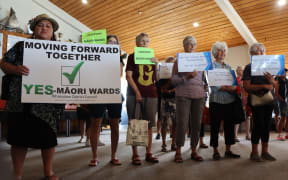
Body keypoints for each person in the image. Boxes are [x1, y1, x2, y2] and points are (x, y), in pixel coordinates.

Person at [0, 14, 63, 180]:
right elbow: (3, 63)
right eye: (40, 25)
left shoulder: (62, 50)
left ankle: (48, 172)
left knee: (49, 139)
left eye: (47, 26)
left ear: (52, 32)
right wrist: (15, 69)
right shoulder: (21, 46)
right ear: (34, 30)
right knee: (19, 140)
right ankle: (17, 174)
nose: (43, 28)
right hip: (20, 102)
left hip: (49, 103)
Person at [87, 35, 124, 166]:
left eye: (115, 42)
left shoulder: (119, 58)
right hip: (98, 93)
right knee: (95, 124)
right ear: (104, 43)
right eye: (110, 41)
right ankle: (94, 156)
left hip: (114, 93)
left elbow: (119, 74)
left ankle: (114, 155)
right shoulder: (95, 56)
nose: (112, 44)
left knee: (115, 125)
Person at [126, 32, 159, 165]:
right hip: (135, 95)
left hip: (151, 94)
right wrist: (137, 92)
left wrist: (157, 65)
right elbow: (128, 76)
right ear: (137, 43)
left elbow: (156, 79)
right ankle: (135, 154)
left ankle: (148, 152)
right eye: (142, 41)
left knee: (149, 125)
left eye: (147, 41)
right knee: (136, 124)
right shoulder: (132, 57)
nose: (144, 43)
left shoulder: (152, 58)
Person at [172, 36, 205, 163]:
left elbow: (203, 78)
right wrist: (187, 77)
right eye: (188, 44)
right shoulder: (178, 60)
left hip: (199, 95)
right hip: (183, 95)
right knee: (182, 123)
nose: (191, 46)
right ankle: (178, 151)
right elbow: (173, 80)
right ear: (184, 46)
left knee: (196, 124)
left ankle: (194, 150)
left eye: (193, 44)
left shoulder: (200, 60)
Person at [242, 42, 276, 162]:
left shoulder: (270, 67)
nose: (262, 52)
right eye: (259, 50)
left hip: (269, 100)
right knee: (258, 125)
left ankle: (265, 152)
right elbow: (246, 86)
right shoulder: (248, 67)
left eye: (263, 50)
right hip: (256, 100)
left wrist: (272, 81)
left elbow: (275, 85)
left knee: (267, 126)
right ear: (252, 54)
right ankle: (254, 152)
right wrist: (264, 85)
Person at [209, 42, 240, 160]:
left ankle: (228, 150)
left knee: (229, 127)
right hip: (216, 101)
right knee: (215, 127)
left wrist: (228, 87)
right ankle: (215, 151)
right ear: (215, 52)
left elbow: (234, 86)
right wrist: (228, 87)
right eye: (220, 50)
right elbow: (214, 87)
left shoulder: (229, 67)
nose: (223, 53)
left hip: (230, 101)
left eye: (224, 51)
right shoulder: (211, 67)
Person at [159, 56, 177, 152]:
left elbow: (180, 87)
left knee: (175, 123)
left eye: (173, 64)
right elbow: (162, 89)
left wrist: (172, 90)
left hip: (175, 100)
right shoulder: (162, 76)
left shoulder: (178, 75)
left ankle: (173, 143)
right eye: (169, 63)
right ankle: (163, 143)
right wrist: (170, 80)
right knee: (164, 123)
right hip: (165, 101)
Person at [234, 66, 251, 141]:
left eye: (243, 70)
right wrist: (240, 87)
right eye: (240, 70)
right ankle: (235, 136)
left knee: (248, 117)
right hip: (238, 100)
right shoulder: (235, 79)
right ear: (237, 71)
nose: (242, 71)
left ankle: (247, 135)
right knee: (237, 118)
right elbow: (234, 89)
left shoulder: (247, 79)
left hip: (247, 99)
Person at [274, 69, 288, 140]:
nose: (284, 73)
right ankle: (279, 134)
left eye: (285, 72)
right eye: (283, 72)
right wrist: (282, 100)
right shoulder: (278, 80)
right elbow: (276, 92)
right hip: (281, 101)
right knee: (283, 117)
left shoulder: (286, 80)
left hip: (287, 100)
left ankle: (287, 134)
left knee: (287, 117)